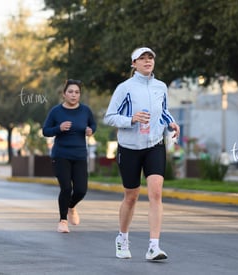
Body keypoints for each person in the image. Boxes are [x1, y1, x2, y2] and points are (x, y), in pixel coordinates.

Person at [104, 47, 180, 261]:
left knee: (156, 192)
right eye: (142, 58)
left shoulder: (161, 87)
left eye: (150, 58)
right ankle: (122, 238)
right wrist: (131, 120)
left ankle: (154, 247)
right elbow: (109, 117)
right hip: (129, 147)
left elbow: (163, 111)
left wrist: (171, 122)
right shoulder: (124, 88)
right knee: (132, 196)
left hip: (155, 144)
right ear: (134, 64)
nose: (147, 61)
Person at [42, 79, 97, 233]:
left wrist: (90, 131)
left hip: (79, 155)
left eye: (77, 92)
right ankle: (63, 221)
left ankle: (71, 206)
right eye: (70, 92)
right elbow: (46, 131)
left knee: (81, 190)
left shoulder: (85, 111)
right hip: (61, 155)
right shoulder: (56, 111)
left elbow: (93, 125)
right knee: (66, 188)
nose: (74, 95)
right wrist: (58, 128)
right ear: (64, 94)